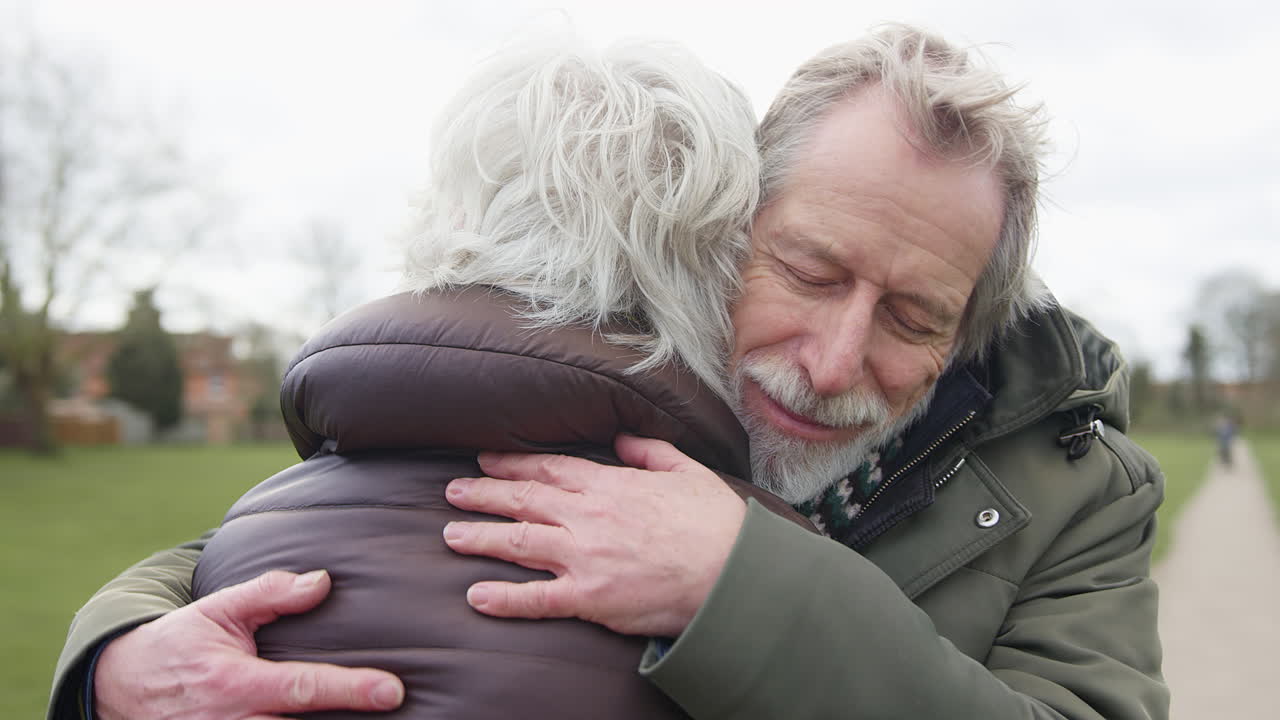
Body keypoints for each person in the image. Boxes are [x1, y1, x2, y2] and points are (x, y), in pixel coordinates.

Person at [49, 23, 1168, 720]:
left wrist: (742, 586)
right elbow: (354, 517)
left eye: (914, 316)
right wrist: (114, 658)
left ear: (970, 328)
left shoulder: (1083, 491)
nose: (834, 362)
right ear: (725, 234)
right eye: (809, 269)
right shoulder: (631, 373)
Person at [49, 37, 803, 720]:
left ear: (450, 221)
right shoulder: (779, 580)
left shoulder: (242, 549)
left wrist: (103, 665)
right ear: (714, 267)